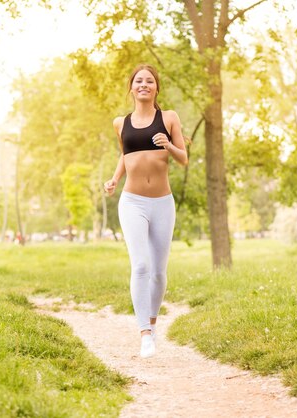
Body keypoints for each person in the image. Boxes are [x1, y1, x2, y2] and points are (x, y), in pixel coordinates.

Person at [104, 64, 189, 358]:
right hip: (133, 202)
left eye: (149, 81)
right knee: (140, 266)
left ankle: (153, 324)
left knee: (159, 273)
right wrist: (115, 178)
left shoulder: (169, 118)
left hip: (163, 202)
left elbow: (184, 159)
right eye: (138, 81)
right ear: (131, 88)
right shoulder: (120, 123)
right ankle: (144, 334)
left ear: (156, 88)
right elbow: (125, 154)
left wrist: (168, 144)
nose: (144, 85)